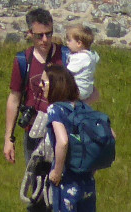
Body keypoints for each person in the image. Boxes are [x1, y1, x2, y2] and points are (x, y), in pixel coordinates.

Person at [5, 7, 69, 209]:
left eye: (49, 34)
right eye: (39, 35)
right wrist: (8, 138)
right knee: (37, 189)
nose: (45, 40)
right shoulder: (23, 60)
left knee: (62, 186)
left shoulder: (65, 57)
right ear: (30, 34)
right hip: (34, 131)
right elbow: (14, 98)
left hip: (61, 131)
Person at [41, 63, 98, 212]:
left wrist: (57, 172)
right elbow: (106, 138)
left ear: (55, 85)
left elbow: (63, 141)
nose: (41, 86)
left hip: (67, 180)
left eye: (44, 82)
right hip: (87, 180)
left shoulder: (56, 109)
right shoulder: (84, 108)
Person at [65, 24, 100, 104]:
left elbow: (67, 72)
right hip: (87, 89)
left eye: (69, 40)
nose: (67, 43)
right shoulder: (90, 55)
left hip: (78, 89)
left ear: (79, 43)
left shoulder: (80, 58)